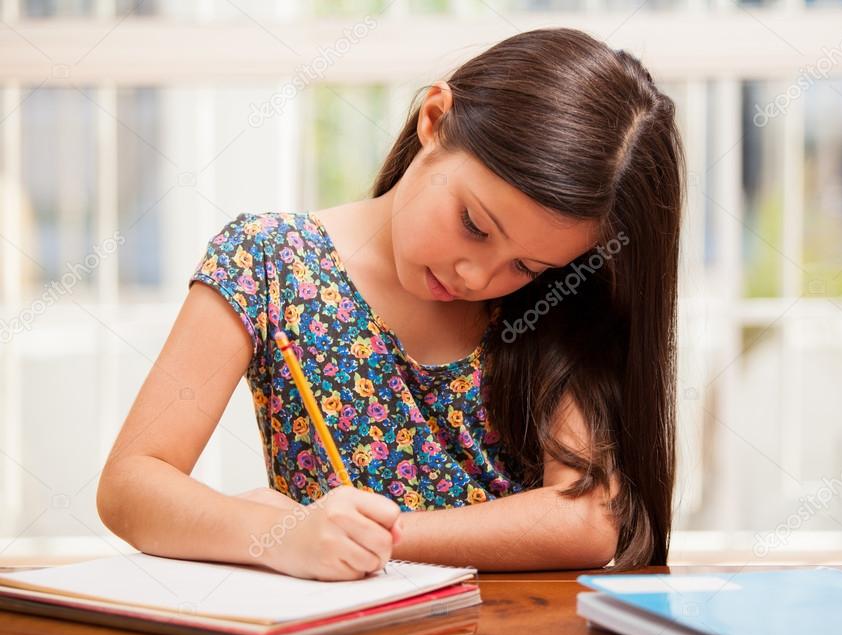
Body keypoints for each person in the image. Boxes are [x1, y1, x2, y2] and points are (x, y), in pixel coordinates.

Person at [96, 27, 685, 580]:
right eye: (474, 225)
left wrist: (374, 537)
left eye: (526, 265)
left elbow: (587, 519)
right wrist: (276, 534)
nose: (477, 276)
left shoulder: (553, 300)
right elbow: (131, 486)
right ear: (434, 119)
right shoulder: (268, 261)